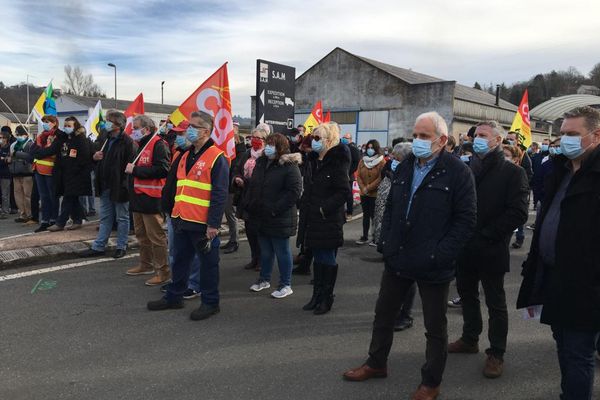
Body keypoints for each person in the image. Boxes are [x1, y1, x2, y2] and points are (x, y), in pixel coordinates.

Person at [342, 111, 476, 400]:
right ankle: (376, 363)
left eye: (424, 136)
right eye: (415, 135)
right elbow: (390, 206)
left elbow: (465, 221)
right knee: (384, 315)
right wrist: (386, 241)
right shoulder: (404, 167)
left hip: (432, 263)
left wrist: (440, 254)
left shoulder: (458, 172)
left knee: (434, 326)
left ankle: (430, 382)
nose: (417, 141)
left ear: (441, 140)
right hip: (398, 256)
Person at [517, 106, 600, 400]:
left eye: (573, 134)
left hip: (585, 286)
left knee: (578, 354)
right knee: (563, 345)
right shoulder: (560, 170)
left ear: (596, 135)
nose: (565, 139)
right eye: (562, 133)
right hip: (552, 277)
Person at [448, 121, 529, 379]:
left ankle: (496, 353)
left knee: (495, 301)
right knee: (467, 294)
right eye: (475, 135)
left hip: (491, 247)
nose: (476, 139)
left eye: (483, 135)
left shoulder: (512, 173)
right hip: (464, 247)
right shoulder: (465, 167)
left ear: (497, 140)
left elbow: (517, 212)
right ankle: (470, 338)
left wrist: (487, 235)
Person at [148, 111, 228, 320]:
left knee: (208, 265)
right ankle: (174, 297)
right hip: (181, 219)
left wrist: (213, 224)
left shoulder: (217, 157)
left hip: (202, 224)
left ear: (206, 131)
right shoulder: (185, 154)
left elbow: (220, 194)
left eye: (193, 126)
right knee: (180, 261)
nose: (188, 130)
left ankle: (211, 303)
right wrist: (172, 215)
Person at [298, 122, 350, 315]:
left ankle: (326, 298)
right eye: (313, 137)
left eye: (318, 138)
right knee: (317, 258)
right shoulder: (313, 161)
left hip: (327, 219)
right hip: (313, 217)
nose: (314, 141)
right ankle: (316, 295)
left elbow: (343, 191)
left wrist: (322, 209)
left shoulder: (337, 162)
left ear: (329, 141)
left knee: (327, 258)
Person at [246, 133, 302, 298]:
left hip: (280, 216)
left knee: (282, 251)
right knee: (265, 251)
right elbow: (255, 185)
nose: (268, 147)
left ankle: (285, 284)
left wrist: (274, 209)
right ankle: (264, 279)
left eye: (272, 144)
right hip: (262, 215)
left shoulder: (289, 166)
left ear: (280, 147)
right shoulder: (262, 163)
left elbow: (294, 192)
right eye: (267, 144)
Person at [372, 142, 415, 332]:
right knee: (390, 280)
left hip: (406, 238)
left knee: (407, 279)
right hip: (390, 236)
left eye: (397, 159)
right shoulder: (392, 175)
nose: (393, 162)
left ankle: (405, 314)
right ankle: (390, 313)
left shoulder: (412, 178)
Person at [80, 110, 135, 259]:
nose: (106, 123)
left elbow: (129, 166)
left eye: (109, 121)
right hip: (104, 184)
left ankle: (121, 245)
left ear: (118, 125)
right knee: (106, 217)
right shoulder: (104, 137)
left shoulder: (127, 142)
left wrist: (125, 185)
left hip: (119, 185)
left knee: (122, 218)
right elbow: (95, 153)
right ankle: (99, 246)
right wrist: (94, 156)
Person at [123, 115, 171, 286]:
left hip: (152, 199)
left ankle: (163, 271)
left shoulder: (158, 144)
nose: (133, 131)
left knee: (156, 237)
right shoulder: (139, 145)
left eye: (136, 128)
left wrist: (135, 170)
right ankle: (146, 264)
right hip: (138, 197)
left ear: (147, 129)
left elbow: (163, 169)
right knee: (141, 235)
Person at [32, 116, 93, 232]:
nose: (66, 128)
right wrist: (37, 153)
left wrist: (75, 170)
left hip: (77, 175)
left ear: (75, 127)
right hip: (64, 174)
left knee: (68, 197)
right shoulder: (62, 139)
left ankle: (60, 223)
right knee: (73, 198)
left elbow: (84, 159)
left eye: (69, 126)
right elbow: (51, 150)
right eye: (65, 125)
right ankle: (78, 220)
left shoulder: (81, 140)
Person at [233, 127, 268, 271]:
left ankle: (262, 260)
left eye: (258, 138)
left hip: (260, 199)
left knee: (260, 231)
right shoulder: (247, 154)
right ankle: (254, 257)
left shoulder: (266, 156)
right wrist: (238, 178)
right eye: (253, 137)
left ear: (265, 140)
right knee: (250, 231)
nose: (254, 140)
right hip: (246, 197)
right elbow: (237, 170)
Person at [220, 122, 246, 254]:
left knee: (230, 214)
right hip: (223, 184)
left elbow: (236, 168)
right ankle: (231, 239)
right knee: (226, 212)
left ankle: (234, 241)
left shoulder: (241, 151)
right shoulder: (226, 147)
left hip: (231, 186)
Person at [505, 131, 533, 248]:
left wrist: (520, 184)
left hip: (518, 191)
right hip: (504, 191)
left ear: (517, 140)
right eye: (508, 138)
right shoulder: (503, 150)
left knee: (517, 215)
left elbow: (529, 174)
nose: (509, 140)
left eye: (512, 139)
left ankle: (520, 238)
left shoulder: (523, 155)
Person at [33, 115, 60, 232]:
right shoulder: (40, 136)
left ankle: (54, 219)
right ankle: (45, 221)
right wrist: (41, 152)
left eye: (47, 121)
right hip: (38, 169)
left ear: (54, 123)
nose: (45, 123)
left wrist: (40, 152)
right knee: (43, 197)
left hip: (50, 170)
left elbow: (52, 151)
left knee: (53, 196)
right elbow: (33, 151)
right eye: (44, 121)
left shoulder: (57, 136)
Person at [355, 139, 385, 245]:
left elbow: (381, 177)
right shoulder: (362, 160)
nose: (370, 150)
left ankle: (375, 237)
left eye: (372, 148)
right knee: (366, 215)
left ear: (376, 149)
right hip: (364, 193)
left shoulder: (381, 161)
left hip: (374, 193)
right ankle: (364, 236)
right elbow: (358, 175)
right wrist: (363, 188)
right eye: (368, 147)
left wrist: (369, 188)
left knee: (374, 216)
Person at [8, 126, 35, 224]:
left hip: (27, 173)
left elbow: (31, 157)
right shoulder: (13, 145)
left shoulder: (30, 144)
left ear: (25, 134)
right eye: (17, 134)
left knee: (27, 195)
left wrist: (17, 154)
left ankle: (30, 214)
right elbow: (10, 156)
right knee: (18, 195)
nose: (19, 136)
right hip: (15, 172)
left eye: (20, 134)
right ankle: (22, 213)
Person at [341, 133, 360, 219]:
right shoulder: (340, 148)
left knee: (348, 195)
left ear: (350, 139)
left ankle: (349, 212)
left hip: (349, 175)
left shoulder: (353, 149)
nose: (344, 139)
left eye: (346, 138)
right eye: (343, 137)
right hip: (340, 174)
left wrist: (348, 172)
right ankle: (341, 211)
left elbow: (356, 163)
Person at [0, 130, 12, 218]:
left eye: (2, 138)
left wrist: (3, 159)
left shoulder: (9, 148)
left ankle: (5, 211)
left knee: (5, 194)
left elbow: (8, 160)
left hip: (5, 174)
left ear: (6, 139)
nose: (1, 139)